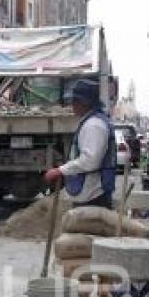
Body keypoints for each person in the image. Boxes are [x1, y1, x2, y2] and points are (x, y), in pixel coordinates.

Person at [44, 79, 116, 209]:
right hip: (88, 193)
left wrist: (60, 170)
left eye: (74, 102)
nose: (72, 105)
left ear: (84, 103)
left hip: (93, 194)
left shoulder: (94, 125)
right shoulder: (91, 122)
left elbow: (90, 161)